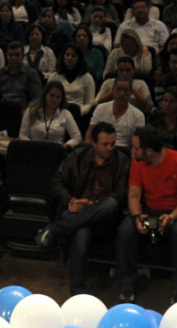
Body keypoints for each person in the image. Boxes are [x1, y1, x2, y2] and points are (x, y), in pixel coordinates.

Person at [36, 121, 129, 295]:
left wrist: (92, 204)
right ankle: (77, 292)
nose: (111, 148)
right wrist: (71, 200)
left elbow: (122, 195)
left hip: (103, 218)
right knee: (81, 231)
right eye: (105, 144)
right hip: (76, 211)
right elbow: (56, 183)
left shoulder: (122, 162)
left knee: (110, 203)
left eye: (113, 143)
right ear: (93, 143)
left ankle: (55, 230)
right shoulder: (78, 156)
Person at [117, 125, 177, 304]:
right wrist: (137, 216)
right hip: (149, 211)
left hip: (176, 213)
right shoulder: (138, 162)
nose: (132, 150)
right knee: (126, 230)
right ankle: (128, 282)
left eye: (136, 148)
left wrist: (172, 217)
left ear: (149, 152)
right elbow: (134, 194)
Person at [19, 80, 82, 148]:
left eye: (58, 97)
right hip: (33, 149)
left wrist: (65, 146)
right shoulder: (31, 110)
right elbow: (22, 135)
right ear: (45, 95)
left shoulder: (66, 114)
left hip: (56, 151)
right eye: (52, 96)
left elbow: (77, 137)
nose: (55, 99)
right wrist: (30, 146)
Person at [87, 76, 145, 147]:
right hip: (100, 149)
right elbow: (89, 134)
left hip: (123, 151)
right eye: (119, 89)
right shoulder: (101, 108)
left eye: (126, 90)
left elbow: (138, 144)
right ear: (113, 90)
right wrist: (88, 150)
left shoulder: (138, 115)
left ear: (130, 93)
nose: (121, 93)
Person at [0, 41, 42, 107]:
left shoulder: (32, 74)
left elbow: (36, 100)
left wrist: (27, 112)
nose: (13, 58)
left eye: (17, 55)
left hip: (23, 111)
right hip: (2, 110)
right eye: (11, 55)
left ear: (23, 56)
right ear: (6, 56)